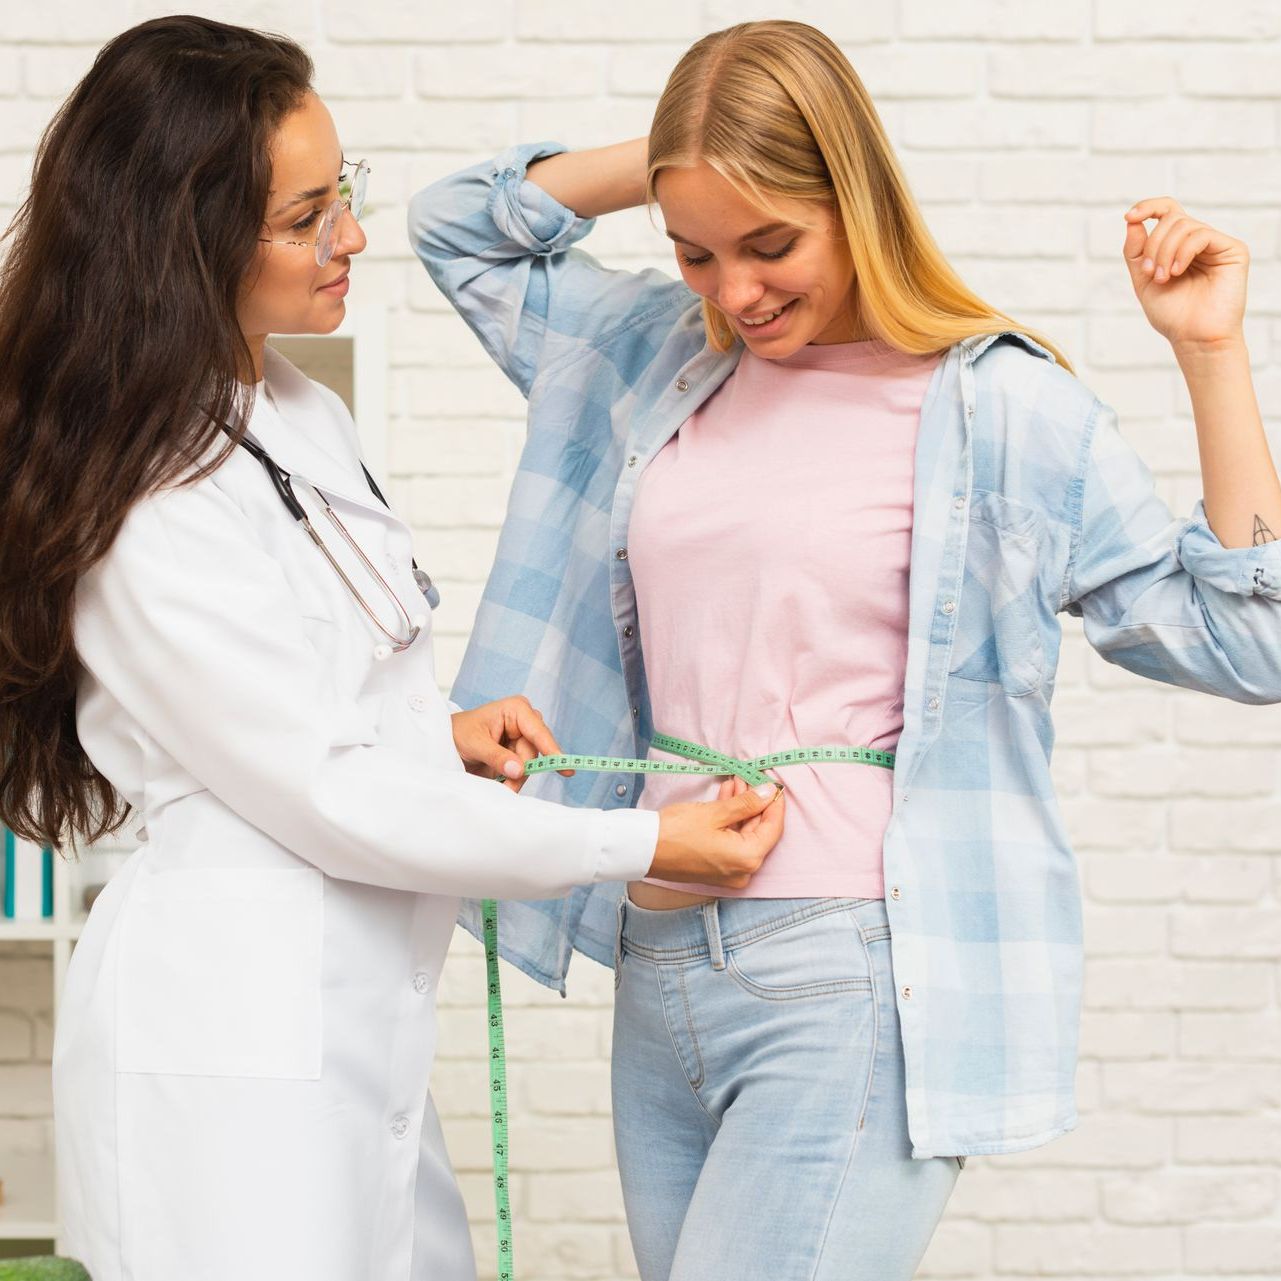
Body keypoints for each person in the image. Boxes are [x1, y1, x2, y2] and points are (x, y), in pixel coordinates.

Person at [409, 19, 1281, 1281]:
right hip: (657, 955)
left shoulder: (995, 407)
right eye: (693, 251)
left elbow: (1248, 638)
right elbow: (459, 226)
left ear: (855, 195)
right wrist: (672, 151)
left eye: (771, 244)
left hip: (852, 967)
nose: (737, 291)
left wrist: (1209, 354)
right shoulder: (655, 356)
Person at [0, 17, 784, 1281]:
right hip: (232, 1044)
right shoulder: (146, 498)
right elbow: (324, 789)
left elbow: (320, 706)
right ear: (183, 239)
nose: (351, 237)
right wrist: (638, 840)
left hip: (354, 1031)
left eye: (342, 195)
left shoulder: (293, 408)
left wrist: (442, 736)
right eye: (304, 216)